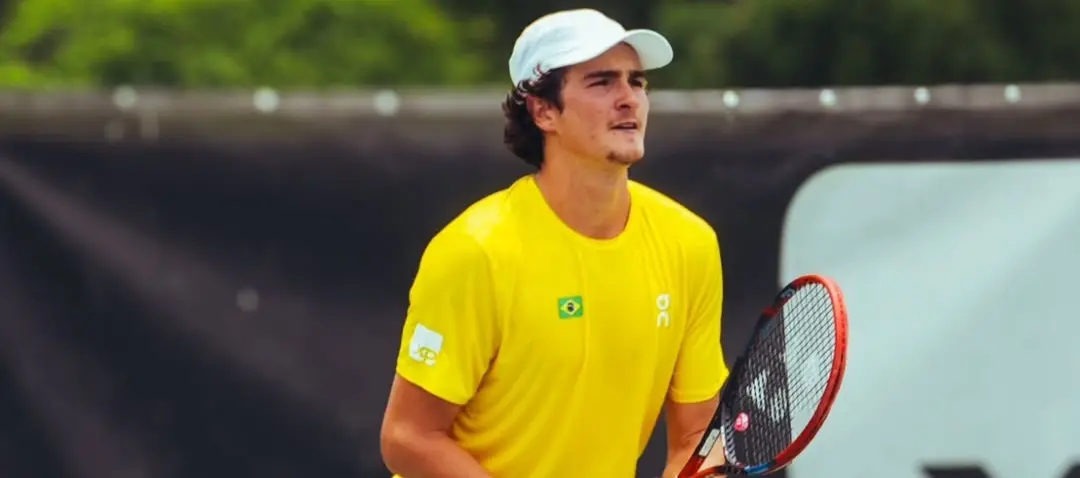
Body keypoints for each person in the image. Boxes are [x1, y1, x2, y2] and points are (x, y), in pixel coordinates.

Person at [380, 8, 728, 478]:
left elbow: (696, 439)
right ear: (543, 110)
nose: (629, 99)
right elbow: (407, 436)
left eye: (638, 82)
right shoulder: (475, 252)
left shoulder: (690, 244)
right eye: (602, 82)